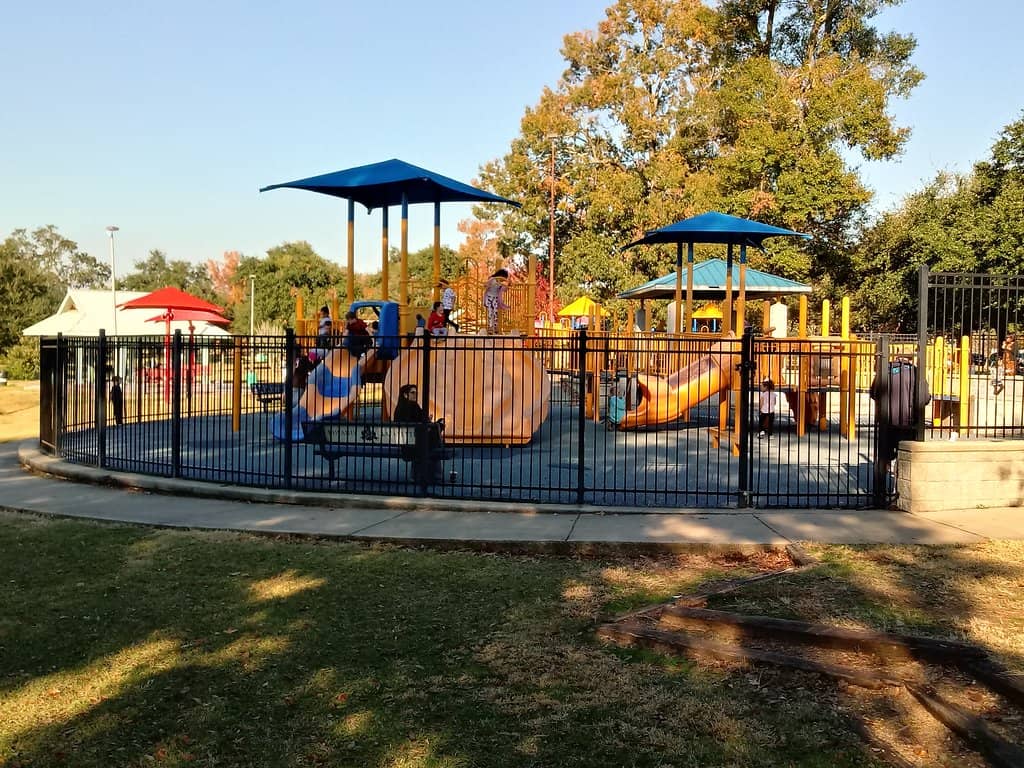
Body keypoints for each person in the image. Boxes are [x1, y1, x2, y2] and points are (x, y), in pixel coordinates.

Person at [870, 355, 931, 467]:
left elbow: (874, 393)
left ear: (896, 357)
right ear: (910, 359)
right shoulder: (916, 372)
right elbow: (925, 398)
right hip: (908, 422)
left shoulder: (885, 370)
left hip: (886, 421)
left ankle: (883, 474)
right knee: (905, 456)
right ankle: (899, 477)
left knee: (885, 453)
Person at [483, 268, 510, 334]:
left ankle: (495, 327)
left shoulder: (500, 283)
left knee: (495, 312)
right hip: (489, 297)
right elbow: (485, 285)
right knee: (490, 312)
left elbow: (505, 289)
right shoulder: (492, 279)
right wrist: (489, 283)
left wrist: (508, 284)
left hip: (495, 298)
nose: (503, 279)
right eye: (503, 277)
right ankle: (490, 327)